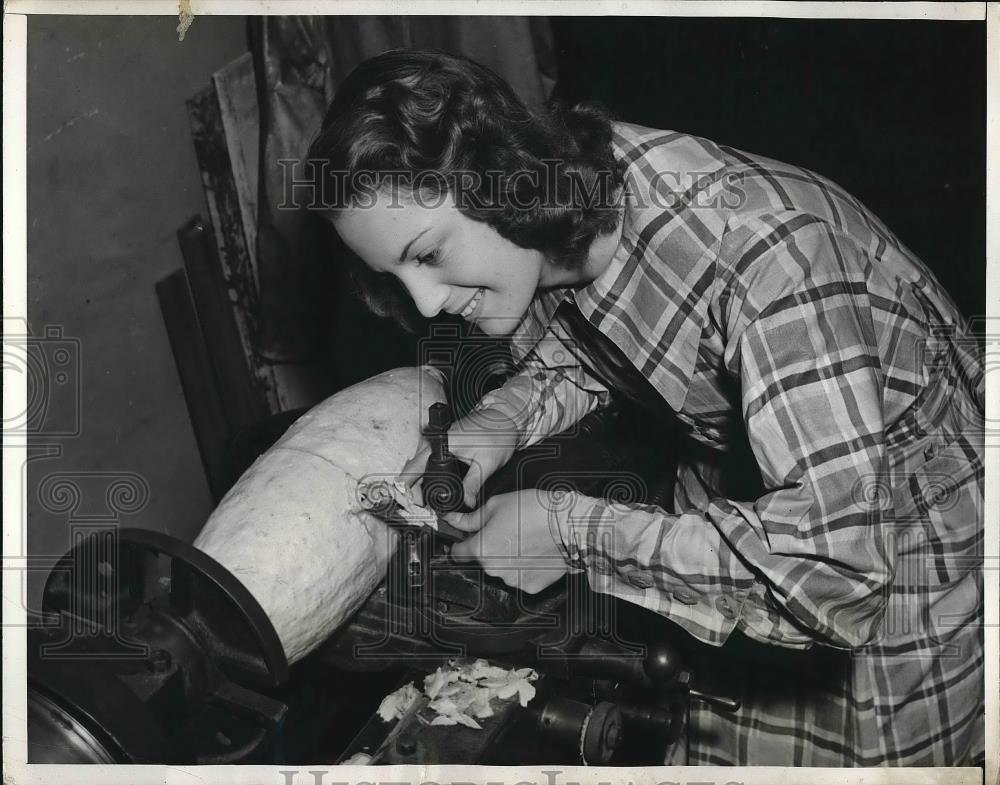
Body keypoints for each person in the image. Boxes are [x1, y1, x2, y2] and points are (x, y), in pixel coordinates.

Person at [306, 49, 984, 766]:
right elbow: (617, 336)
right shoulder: (564, 192)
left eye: (430, 253)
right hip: (745, 500)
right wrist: (500, 420)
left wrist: (573, 533)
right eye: (395, 275)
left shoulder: (771, 260)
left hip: (900, 553)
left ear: (499, 178)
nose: (427, 303)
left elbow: (834, 577)